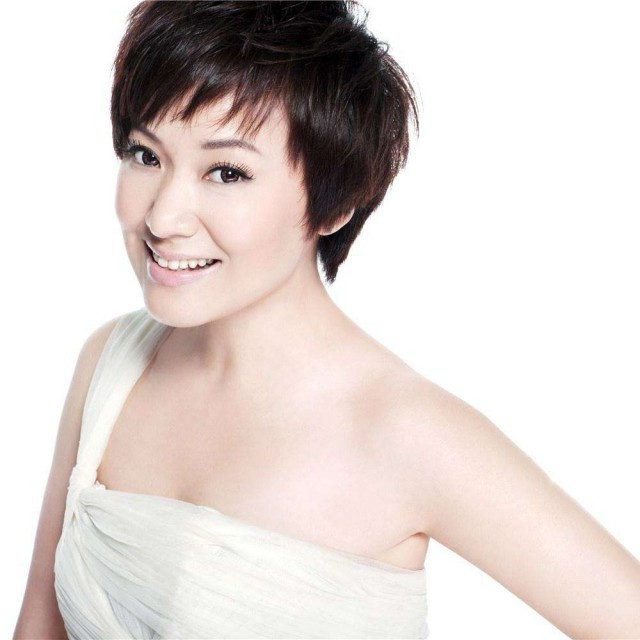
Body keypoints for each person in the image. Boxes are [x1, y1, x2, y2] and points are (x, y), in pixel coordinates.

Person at [13, 1, 640, 638]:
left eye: (226, 172)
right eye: (145, 155)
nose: (163, 216)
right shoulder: (111, 362)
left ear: (334, 202)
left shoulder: (407, 432)